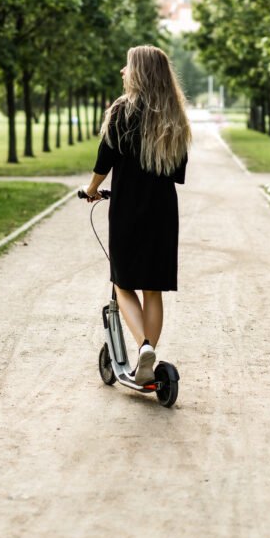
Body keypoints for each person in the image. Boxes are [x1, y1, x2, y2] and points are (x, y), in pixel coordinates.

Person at [82, 45, 191, 385]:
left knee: (123, 283)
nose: (122, 71)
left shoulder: (121, 110)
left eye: (127, 66)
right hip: (163, 211)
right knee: (153, 289)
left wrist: (91, 189)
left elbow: (104, 160)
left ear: (140, 72)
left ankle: (143, 346)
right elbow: (177, 172)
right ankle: (148, 355)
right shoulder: (174, 116)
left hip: (127, 209)